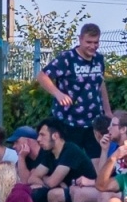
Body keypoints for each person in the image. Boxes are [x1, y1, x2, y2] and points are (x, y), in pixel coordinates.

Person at [36, 23, 111, 156]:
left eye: (96, 42)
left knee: (96, 159)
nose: (92, 46)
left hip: (94, 122)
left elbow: (100, 84)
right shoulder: (67, 58)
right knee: (69, 159)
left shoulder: (99, 59)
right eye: (89, 42)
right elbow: (42, 76)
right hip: (69, 121)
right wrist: (58, 94)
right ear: (80, 39)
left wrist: (108, 111)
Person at [28, 119, 97, 202]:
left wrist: (46, 179)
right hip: (69, 191)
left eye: (42, 135)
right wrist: (53, 182)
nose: (38, 139)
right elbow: (32, 178)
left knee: (50, 195)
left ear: (55, 136)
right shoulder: (49, 154)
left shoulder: (70, 150)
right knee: (37, 194)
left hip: (86, 191)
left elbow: (52, 182)